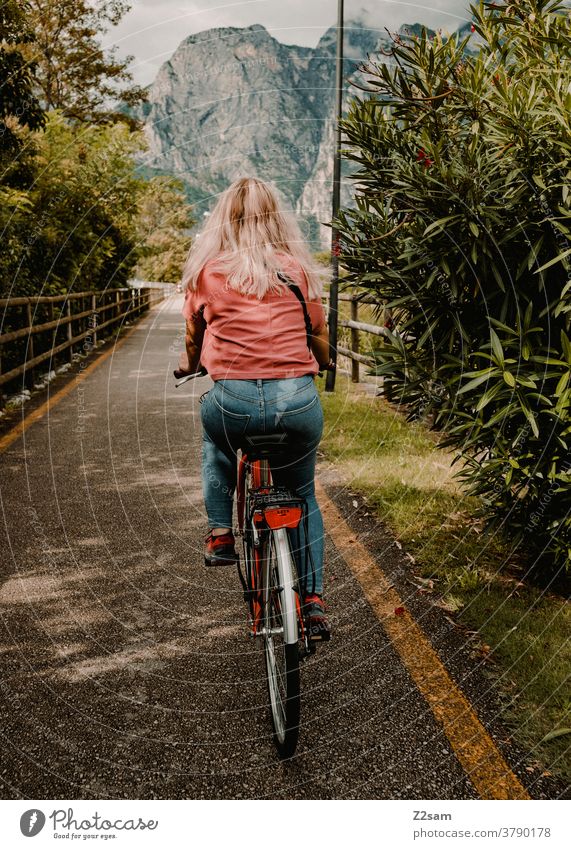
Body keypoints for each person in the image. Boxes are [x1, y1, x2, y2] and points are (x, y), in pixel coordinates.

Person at [176, 176, 333, 638]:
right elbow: (318, 334)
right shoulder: (297, 270)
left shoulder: (207, 273)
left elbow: (193, 337)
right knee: (303, 494)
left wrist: (188, 367)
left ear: (226, 218)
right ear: (276, 217)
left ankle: (222, 533)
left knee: (216, 444)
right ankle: (313, 599)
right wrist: (322, 361)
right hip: (298, 402)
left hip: (234, 404)